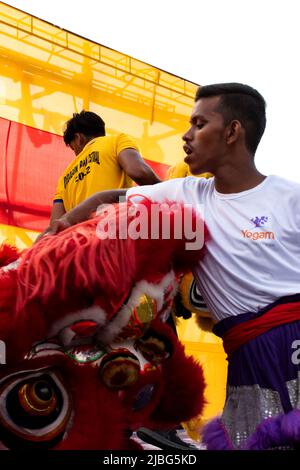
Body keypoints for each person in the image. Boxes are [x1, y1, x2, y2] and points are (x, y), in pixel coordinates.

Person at [43, 83, 300, 449]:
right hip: (247, 363)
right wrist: (47, 247)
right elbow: (107, 199)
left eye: (199, 123)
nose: (186, 134)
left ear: (232, 132)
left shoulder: (290, 197)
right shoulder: (184, 196)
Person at [48, 110, 161, 229]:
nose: (76, 153)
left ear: (78, 138)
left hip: (82, 240)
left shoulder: (64, 177)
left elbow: (56, 222)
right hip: (112, 229)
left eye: (73, 148)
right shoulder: (116, 141)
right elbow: (138, 171)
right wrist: (169, 192)